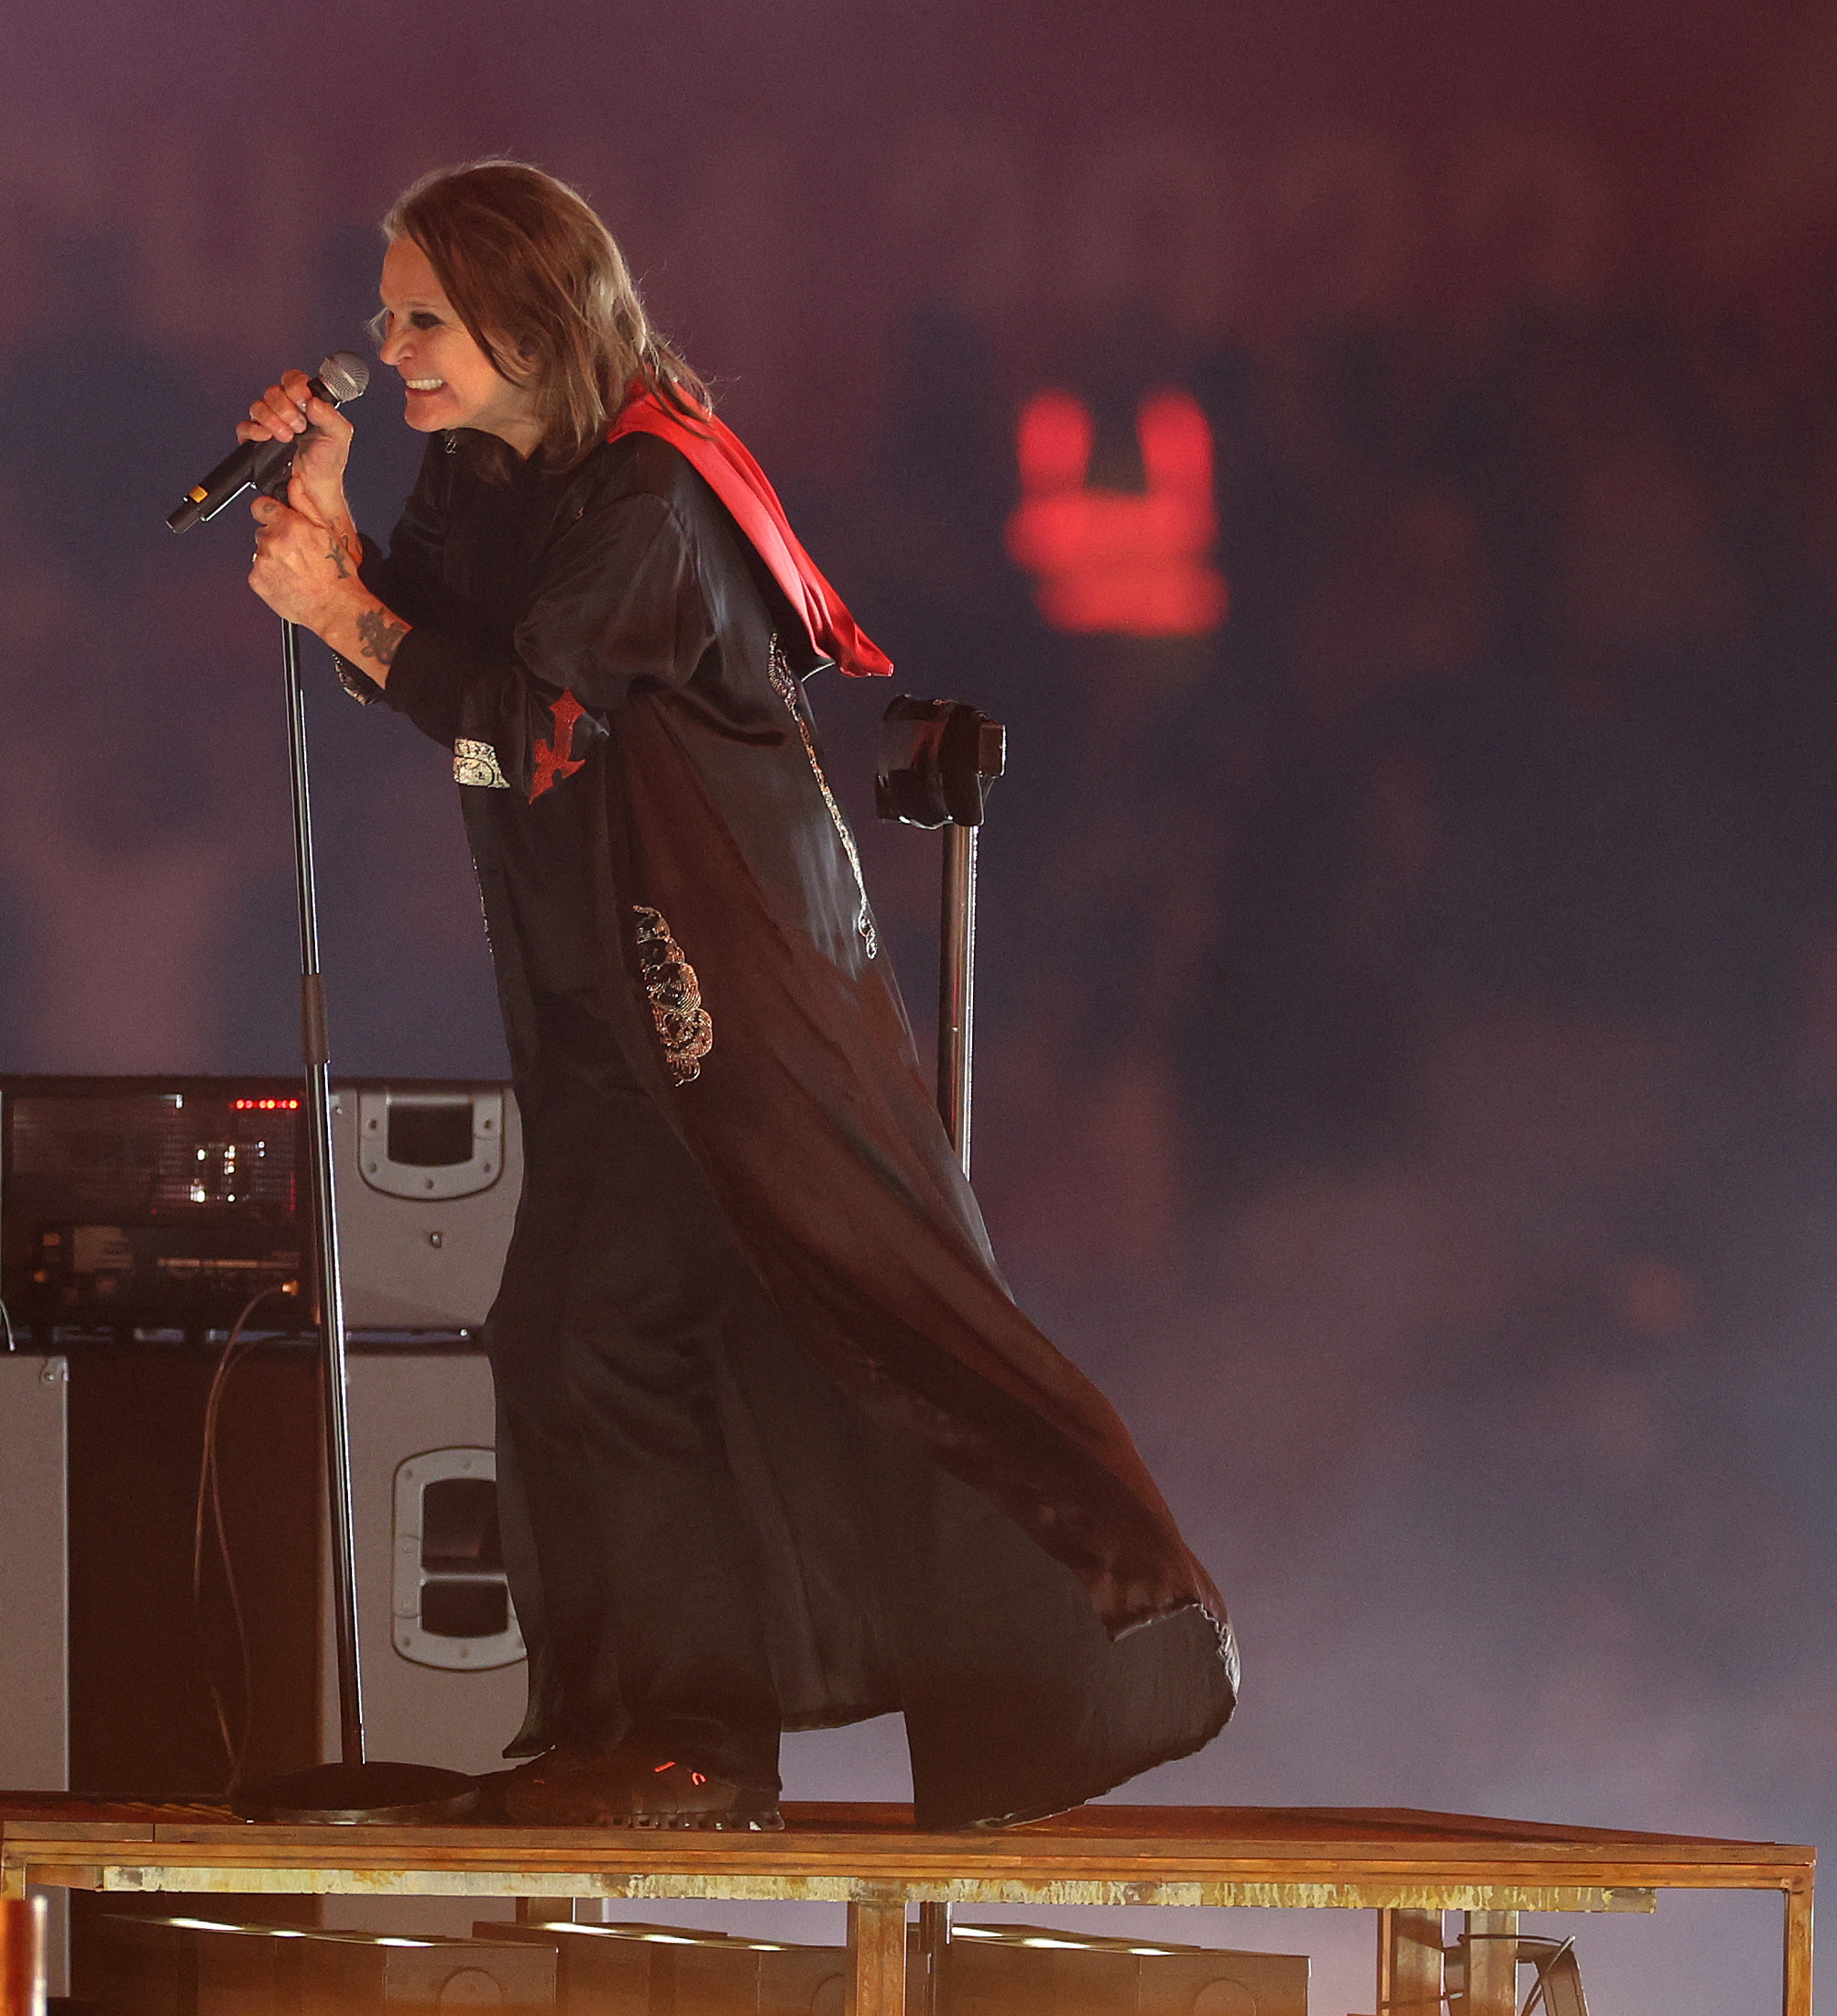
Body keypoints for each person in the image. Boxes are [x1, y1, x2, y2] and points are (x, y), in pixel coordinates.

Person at [239, 160, 1235, 1830]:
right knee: (567, 1330)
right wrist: (339, 526)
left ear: (530, 313)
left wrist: (342, 608)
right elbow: (434, 657)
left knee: (603, 1325)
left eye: (423, 317)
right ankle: (636, 1719)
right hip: (600, 993)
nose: (389, 349)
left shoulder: (652, 501)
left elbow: (529, 726)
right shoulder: (496, 469)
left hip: (719, 1005)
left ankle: (700, 1733)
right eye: (386, 317)